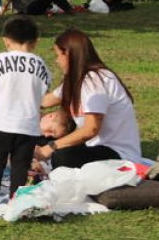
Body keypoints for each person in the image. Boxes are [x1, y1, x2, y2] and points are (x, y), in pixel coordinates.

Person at [35, 29, 141, 168]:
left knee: (62, 156)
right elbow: (45, 101)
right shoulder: (75, 80)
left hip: (117, 154)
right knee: (28, 140)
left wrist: (50, 148)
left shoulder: (95, 80)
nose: (57, 61)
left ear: (69, 54)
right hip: (91, 147)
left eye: (59, 55)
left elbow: (91, 129)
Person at [0, 17, 51, 203]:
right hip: (28, 125)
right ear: (35, 41)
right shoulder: (41, 64)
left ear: (6, 40)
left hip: (0, 122)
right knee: (21, 165)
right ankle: (16, 199)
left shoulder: (0, 59)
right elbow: (45, 89)